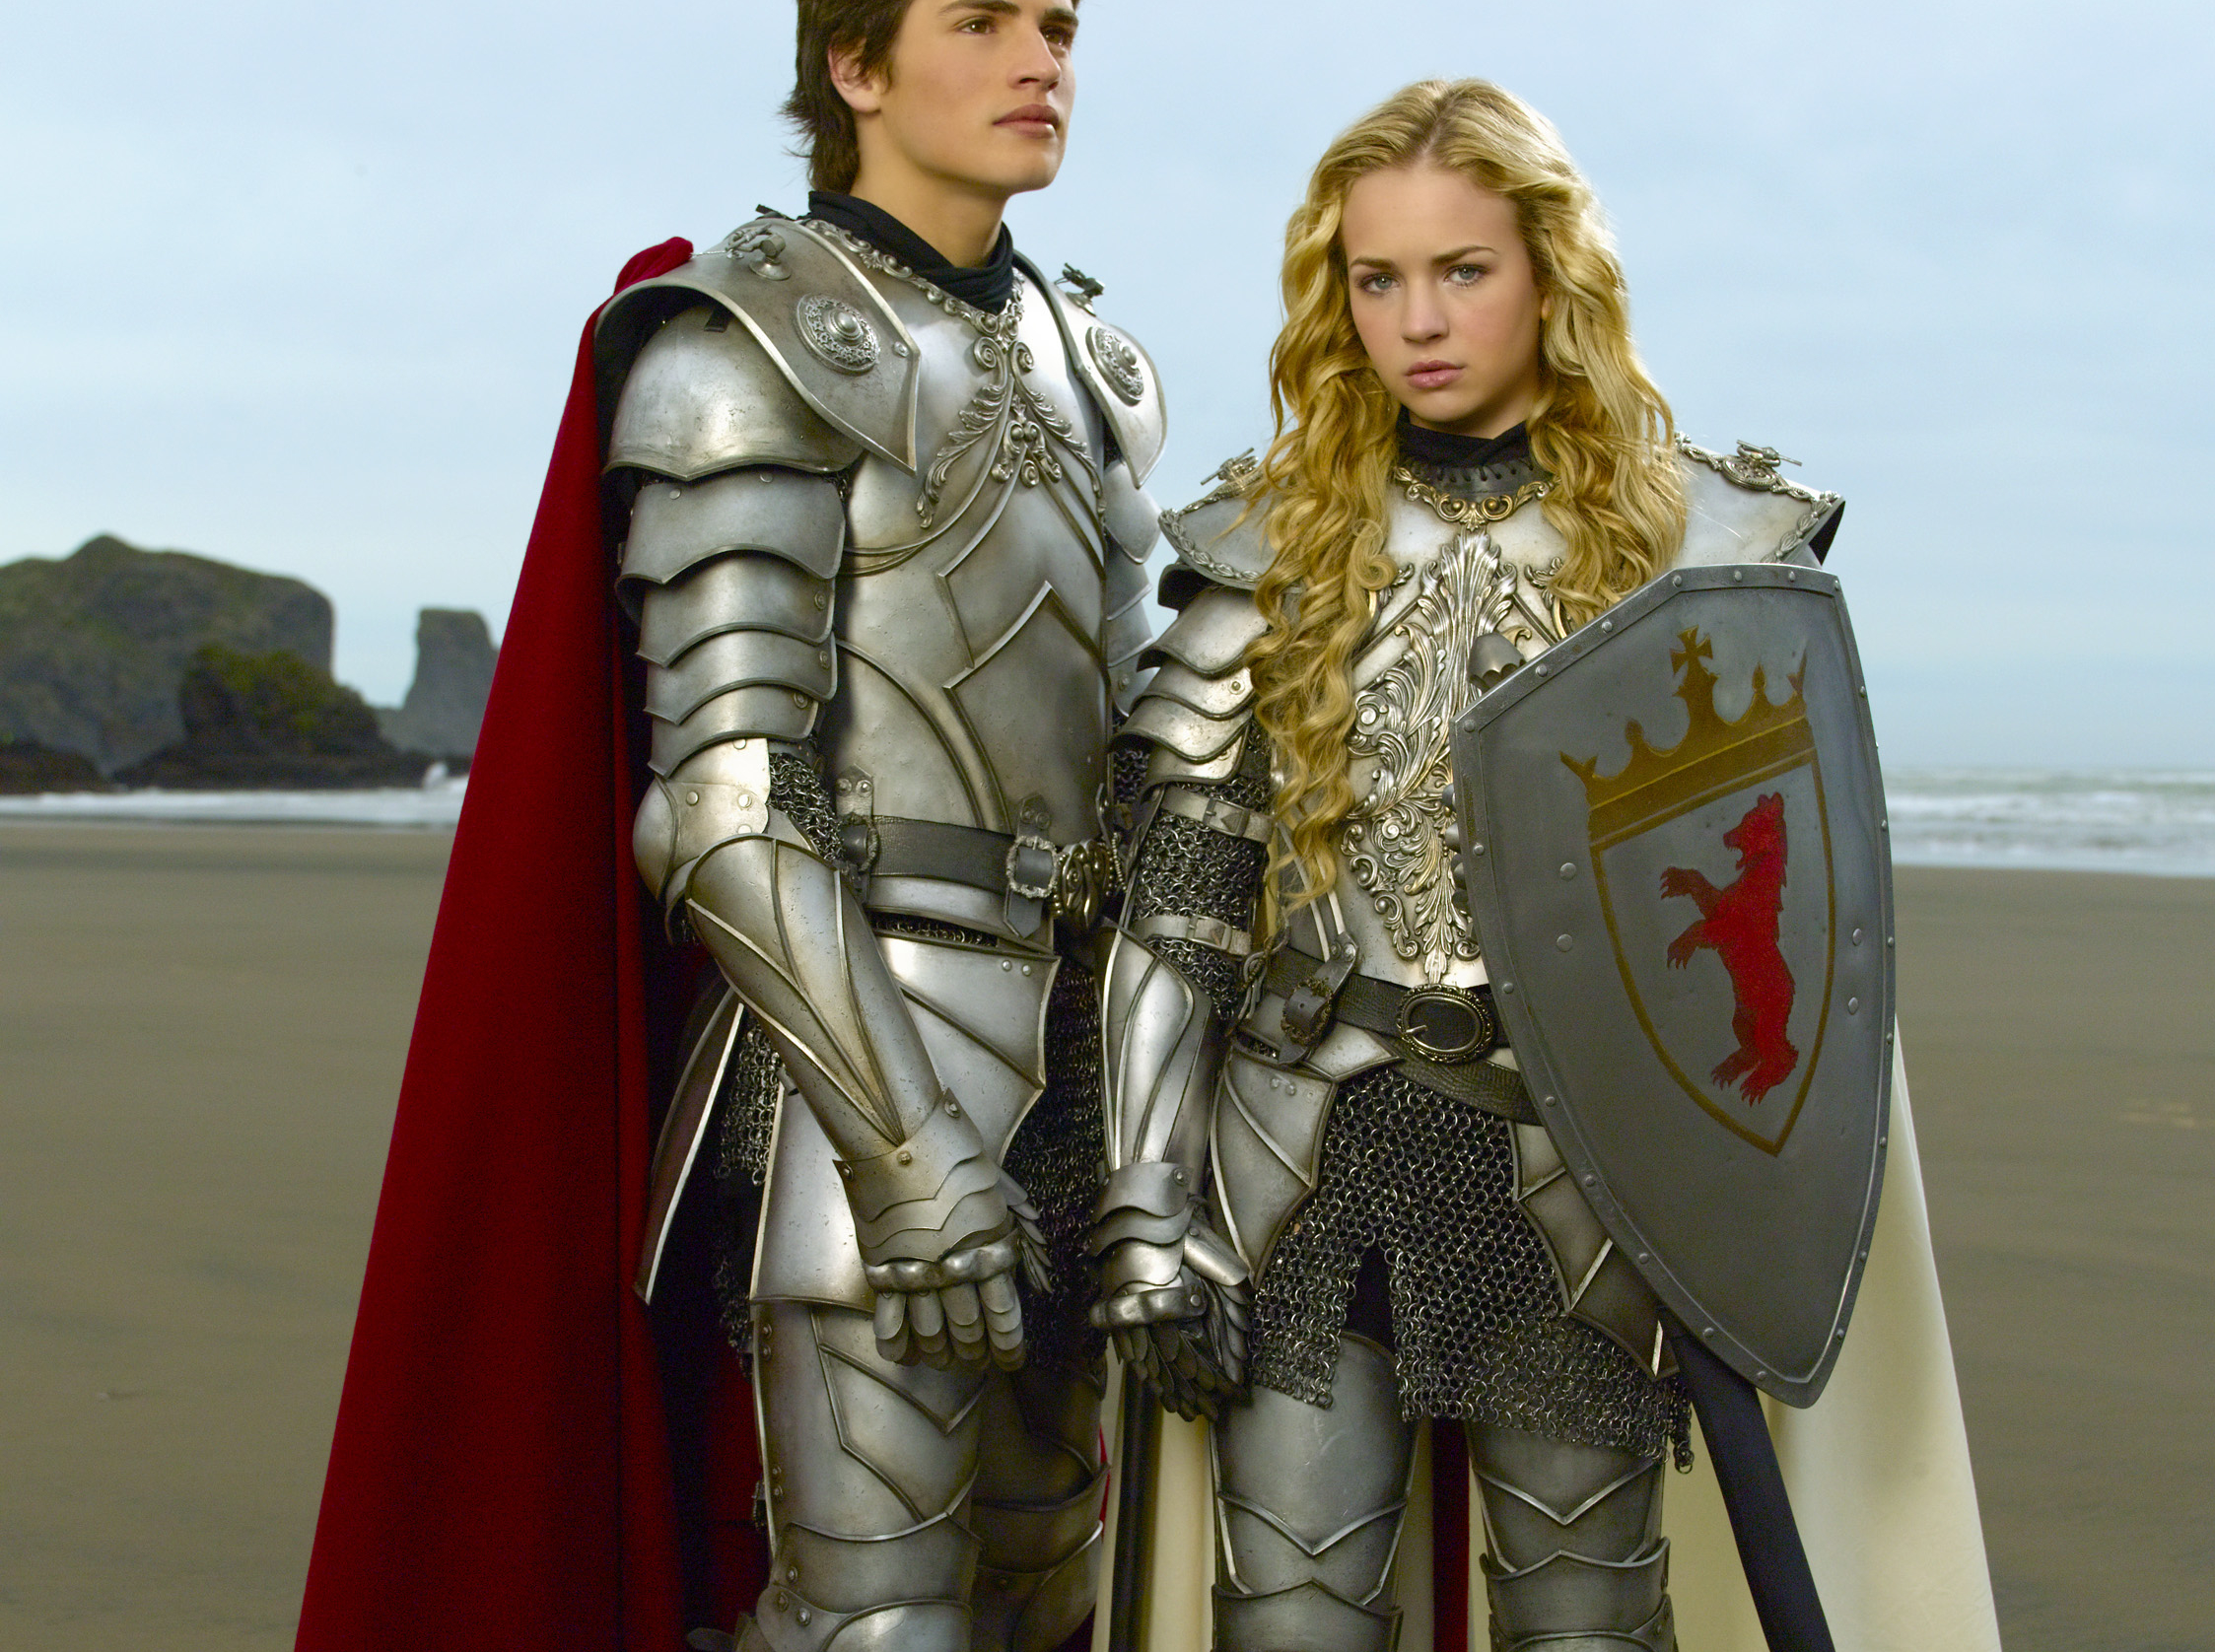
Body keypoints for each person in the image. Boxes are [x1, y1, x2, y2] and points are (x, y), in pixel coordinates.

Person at [296, 4, 1163, 1650]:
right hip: (859, 1066)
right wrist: (908, 1150)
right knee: (872, 1622)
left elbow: (1141, 766)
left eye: (1058, 24)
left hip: (1083, 1070)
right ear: (856, 67)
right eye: (983, 21)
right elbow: (725, 802)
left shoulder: (1095, 367)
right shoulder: (742, 345)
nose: (1041, 60)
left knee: (1045, 1604)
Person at [1092, 80, 1989, 1651]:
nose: (1419, 321)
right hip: (1302, 1159)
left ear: (1552, 270)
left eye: (1464, 270)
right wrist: (1146, 1207)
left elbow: (1793, 923)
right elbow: (1179, 913)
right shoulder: (1266, 547)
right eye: (1378, 279)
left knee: (1588, 1624)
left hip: (1586, 1172)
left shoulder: (1701, 546)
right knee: (1286, 1622)